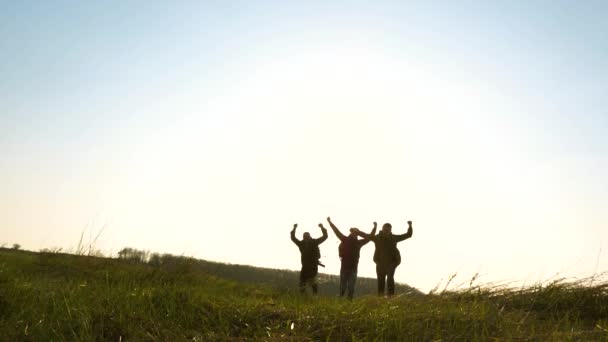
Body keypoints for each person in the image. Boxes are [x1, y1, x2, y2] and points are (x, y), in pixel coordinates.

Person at [353, 220, 413, 297]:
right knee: (381, 281)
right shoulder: (377, 238)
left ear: (390, 230)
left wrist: (410, 226)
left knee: (390, 279)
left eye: (388, 230)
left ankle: (390, 297)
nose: (386, 231)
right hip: (380, 263)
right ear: (382, 229)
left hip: (391, 263)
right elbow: (366, 235)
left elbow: (408, 235)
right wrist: (357, 231)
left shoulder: (394, 238)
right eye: (385, 229)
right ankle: (380, 297)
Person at [324, 217, 375, 299]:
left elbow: (370, 237)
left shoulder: (359, 242)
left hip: (353, 268)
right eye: (353, 232)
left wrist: (374, 227)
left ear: (357, 234)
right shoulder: (345, 239)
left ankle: (348, 302)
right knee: (343, 287)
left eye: (356, 233)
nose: (354, 234)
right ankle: (340, 301)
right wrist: (330, 222)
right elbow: (336, 231)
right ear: (351, 233)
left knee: (351, 288)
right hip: (345, 267)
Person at [290, 223, 328, 294]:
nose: (306, 238)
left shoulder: (314, 242)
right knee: (302, 283)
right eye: (305, 237)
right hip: (304, 266)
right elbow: (293, 238)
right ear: (303, 238)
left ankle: (315, 296)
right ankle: (303, 297)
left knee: (312, 282)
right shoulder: (301, 243)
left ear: (310, 237)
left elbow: (325, 236)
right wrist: (294, 228)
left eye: (307, 237)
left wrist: (322, 227)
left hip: (313, 266)